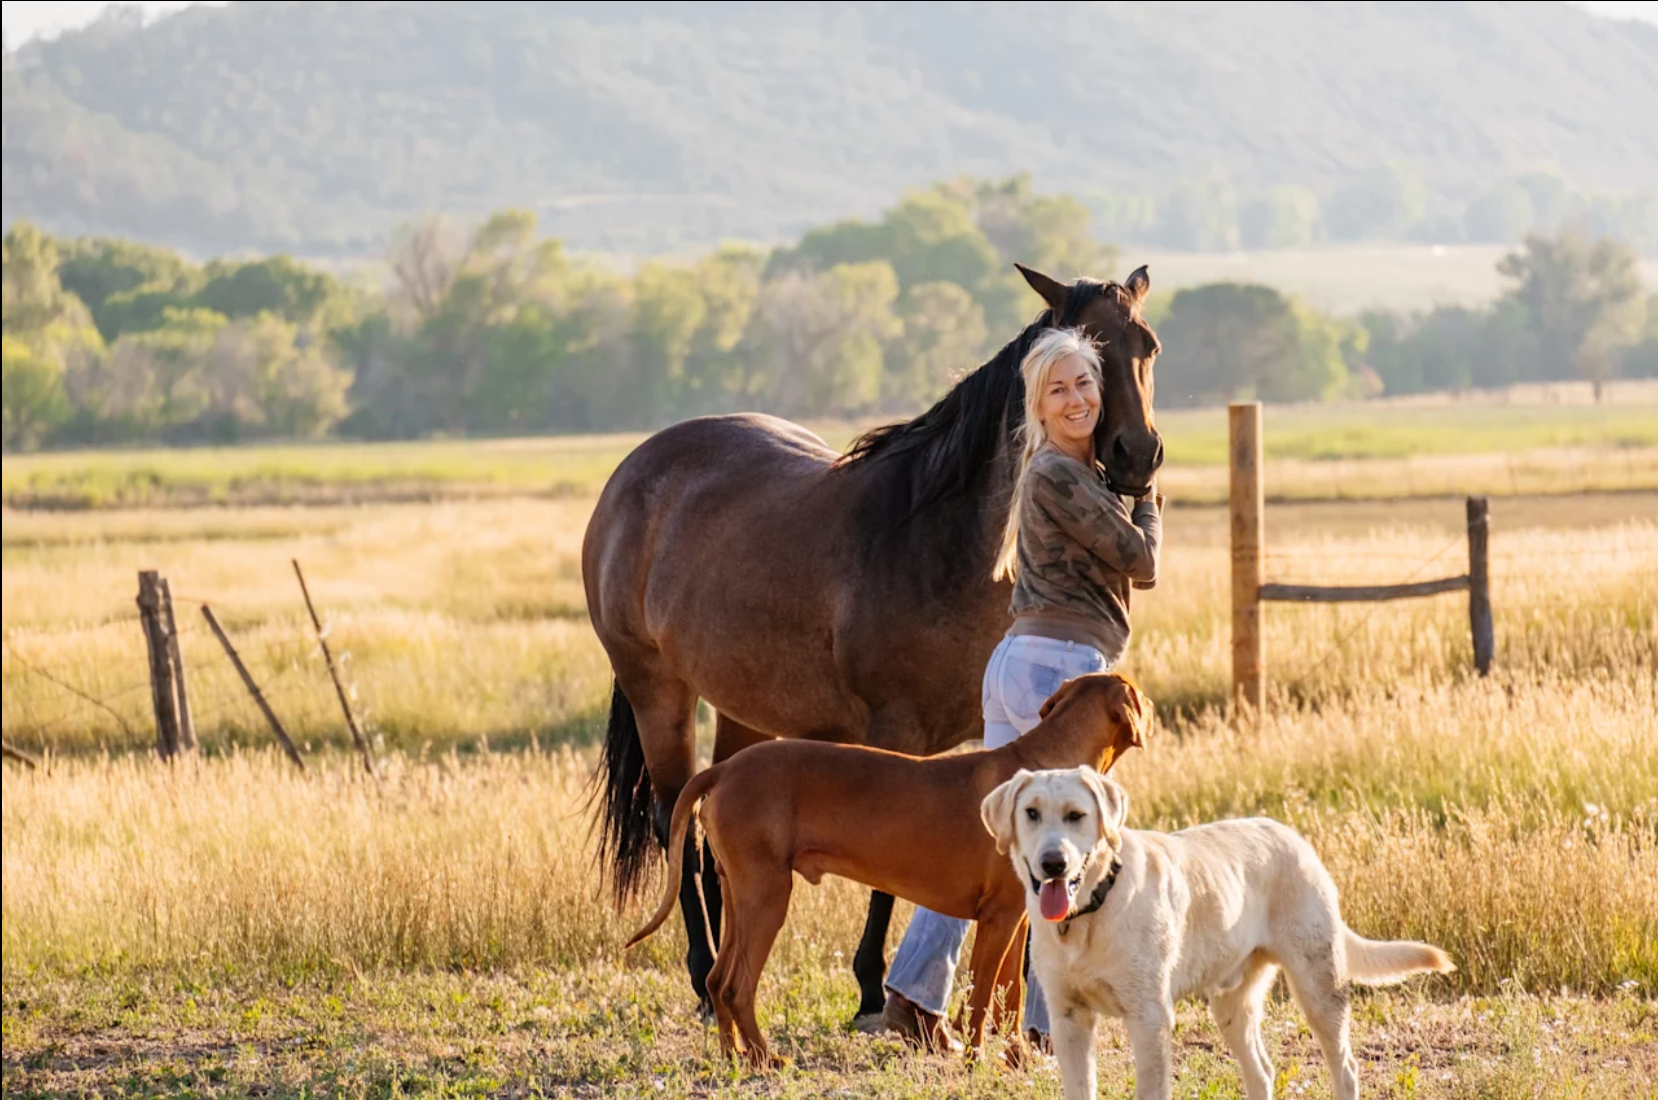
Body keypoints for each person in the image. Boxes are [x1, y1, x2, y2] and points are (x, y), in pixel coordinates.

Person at [880, 325, 1164, 1053]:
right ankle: (1042, 1022)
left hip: (1029, 661)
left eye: (1084, 385)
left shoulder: (1067, 472)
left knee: (1000, 840)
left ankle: (915, 992)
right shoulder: (1059, 476)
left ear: (1103, 393)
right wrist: (1151, 498)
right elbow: (1141, 562)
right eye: (1057, 390)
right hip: (1059, 669)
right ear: (1037, 407)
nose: (1075, 399)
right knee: (1060, 837)